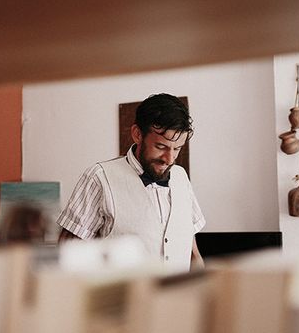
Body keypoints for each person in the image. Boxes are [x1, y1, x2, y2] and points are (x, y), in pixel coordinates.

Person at [57, 93, 206, 271]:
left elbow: (192, 253)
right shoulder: (99, 177)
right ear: (137, 134)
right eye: (160, 147)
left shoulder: (181, 177)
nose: (170, 158)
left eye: (177, 149)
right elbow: (67, 256)